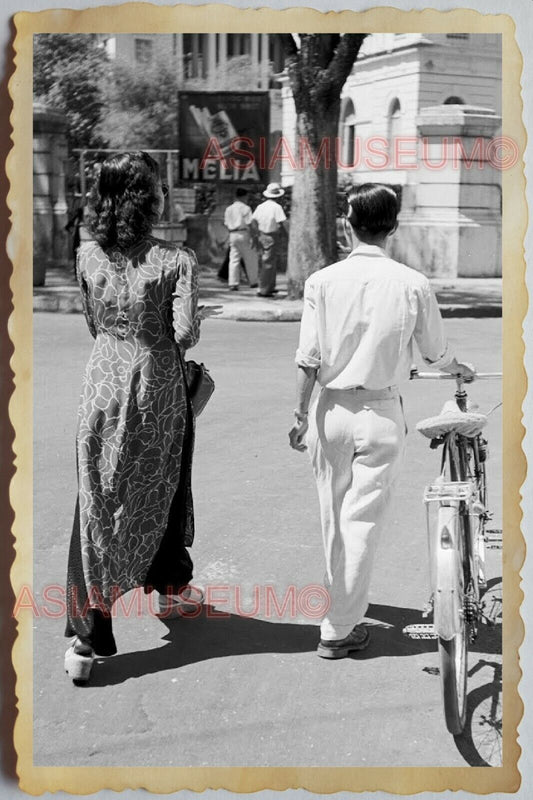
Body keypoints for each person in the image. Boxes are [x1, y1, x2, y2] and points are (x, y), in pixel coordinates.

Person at [289, 183, 475, 659]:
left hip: (330, 410)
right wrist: (458, 368)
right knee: (362, 521)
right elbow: (436, 352)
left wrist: (299, 413)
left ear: (348, 224)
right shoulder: (412, 283)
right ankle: (338, 626)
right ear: (393, 226)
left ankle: (340, 616)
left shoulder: (322, 281)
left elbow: (308, 358)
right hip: (382, 413)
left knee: (333, 517)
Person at [64, 151, 219, 683]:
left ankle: (89, 636)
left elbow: (94, 323)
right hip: (156, 388)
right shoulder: (176, 260)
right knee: (161, 488)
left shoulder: (85, 257)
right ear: (148, 199)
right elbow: (184, 335)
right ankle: (172, 592)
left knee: (96, 499)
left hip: (101, 384)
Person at [252, 182, 288, 297]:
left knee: (268, 262)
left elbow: (253, 221)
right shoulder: (277, 208)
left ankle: (269, 286)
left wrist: (257, 233)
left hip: (262, 235)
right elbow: (281, 223)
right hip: (271, 235)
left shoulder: (260, 206)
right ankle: (263, 289)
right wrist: (287, 235)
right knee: (268, 263)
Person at [223, 187, 259, 291]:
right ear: (244, 196)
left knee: (234, 259)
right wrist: (254, 236)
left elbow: (226, 223)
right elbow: (249, 223)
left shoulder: (229, 209)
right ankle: (253, 281)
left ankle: (233, 283)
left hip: (233, 234)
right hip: (244, 233)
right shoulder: (246, 208)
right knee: (250, 258)